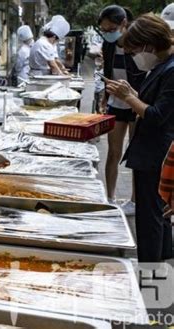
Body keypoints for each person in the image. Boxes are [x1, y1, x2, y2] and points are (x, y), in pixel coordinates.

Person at [105, 13, 174, 263]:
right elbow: (152, 103)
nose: (135, 57)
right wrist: (133, 94)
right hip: (151, 153)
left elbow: (157, 115)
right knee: (159, 216)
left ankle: (152, 278)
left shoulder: (171, 69)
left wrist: (128, 98)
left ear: (149, 44)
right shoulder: (161, 66)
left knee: (151, 219)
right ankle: (161, 271)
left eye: (135, 51)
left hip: (157, 154)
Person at [98, 5, 146, 215]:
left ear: (123, 24)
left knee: (135, 153)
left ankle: (134, 200)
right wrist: (105, 96)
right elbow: (108, 72)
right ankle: (110, 197)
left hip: (137, 102)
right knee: (113, 153)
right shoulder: (108, 46)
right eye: (105, 30)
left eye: (111, 29)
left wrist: (137, 99)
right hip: (116, 104)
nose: (108, 34)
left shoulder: (137, 45)